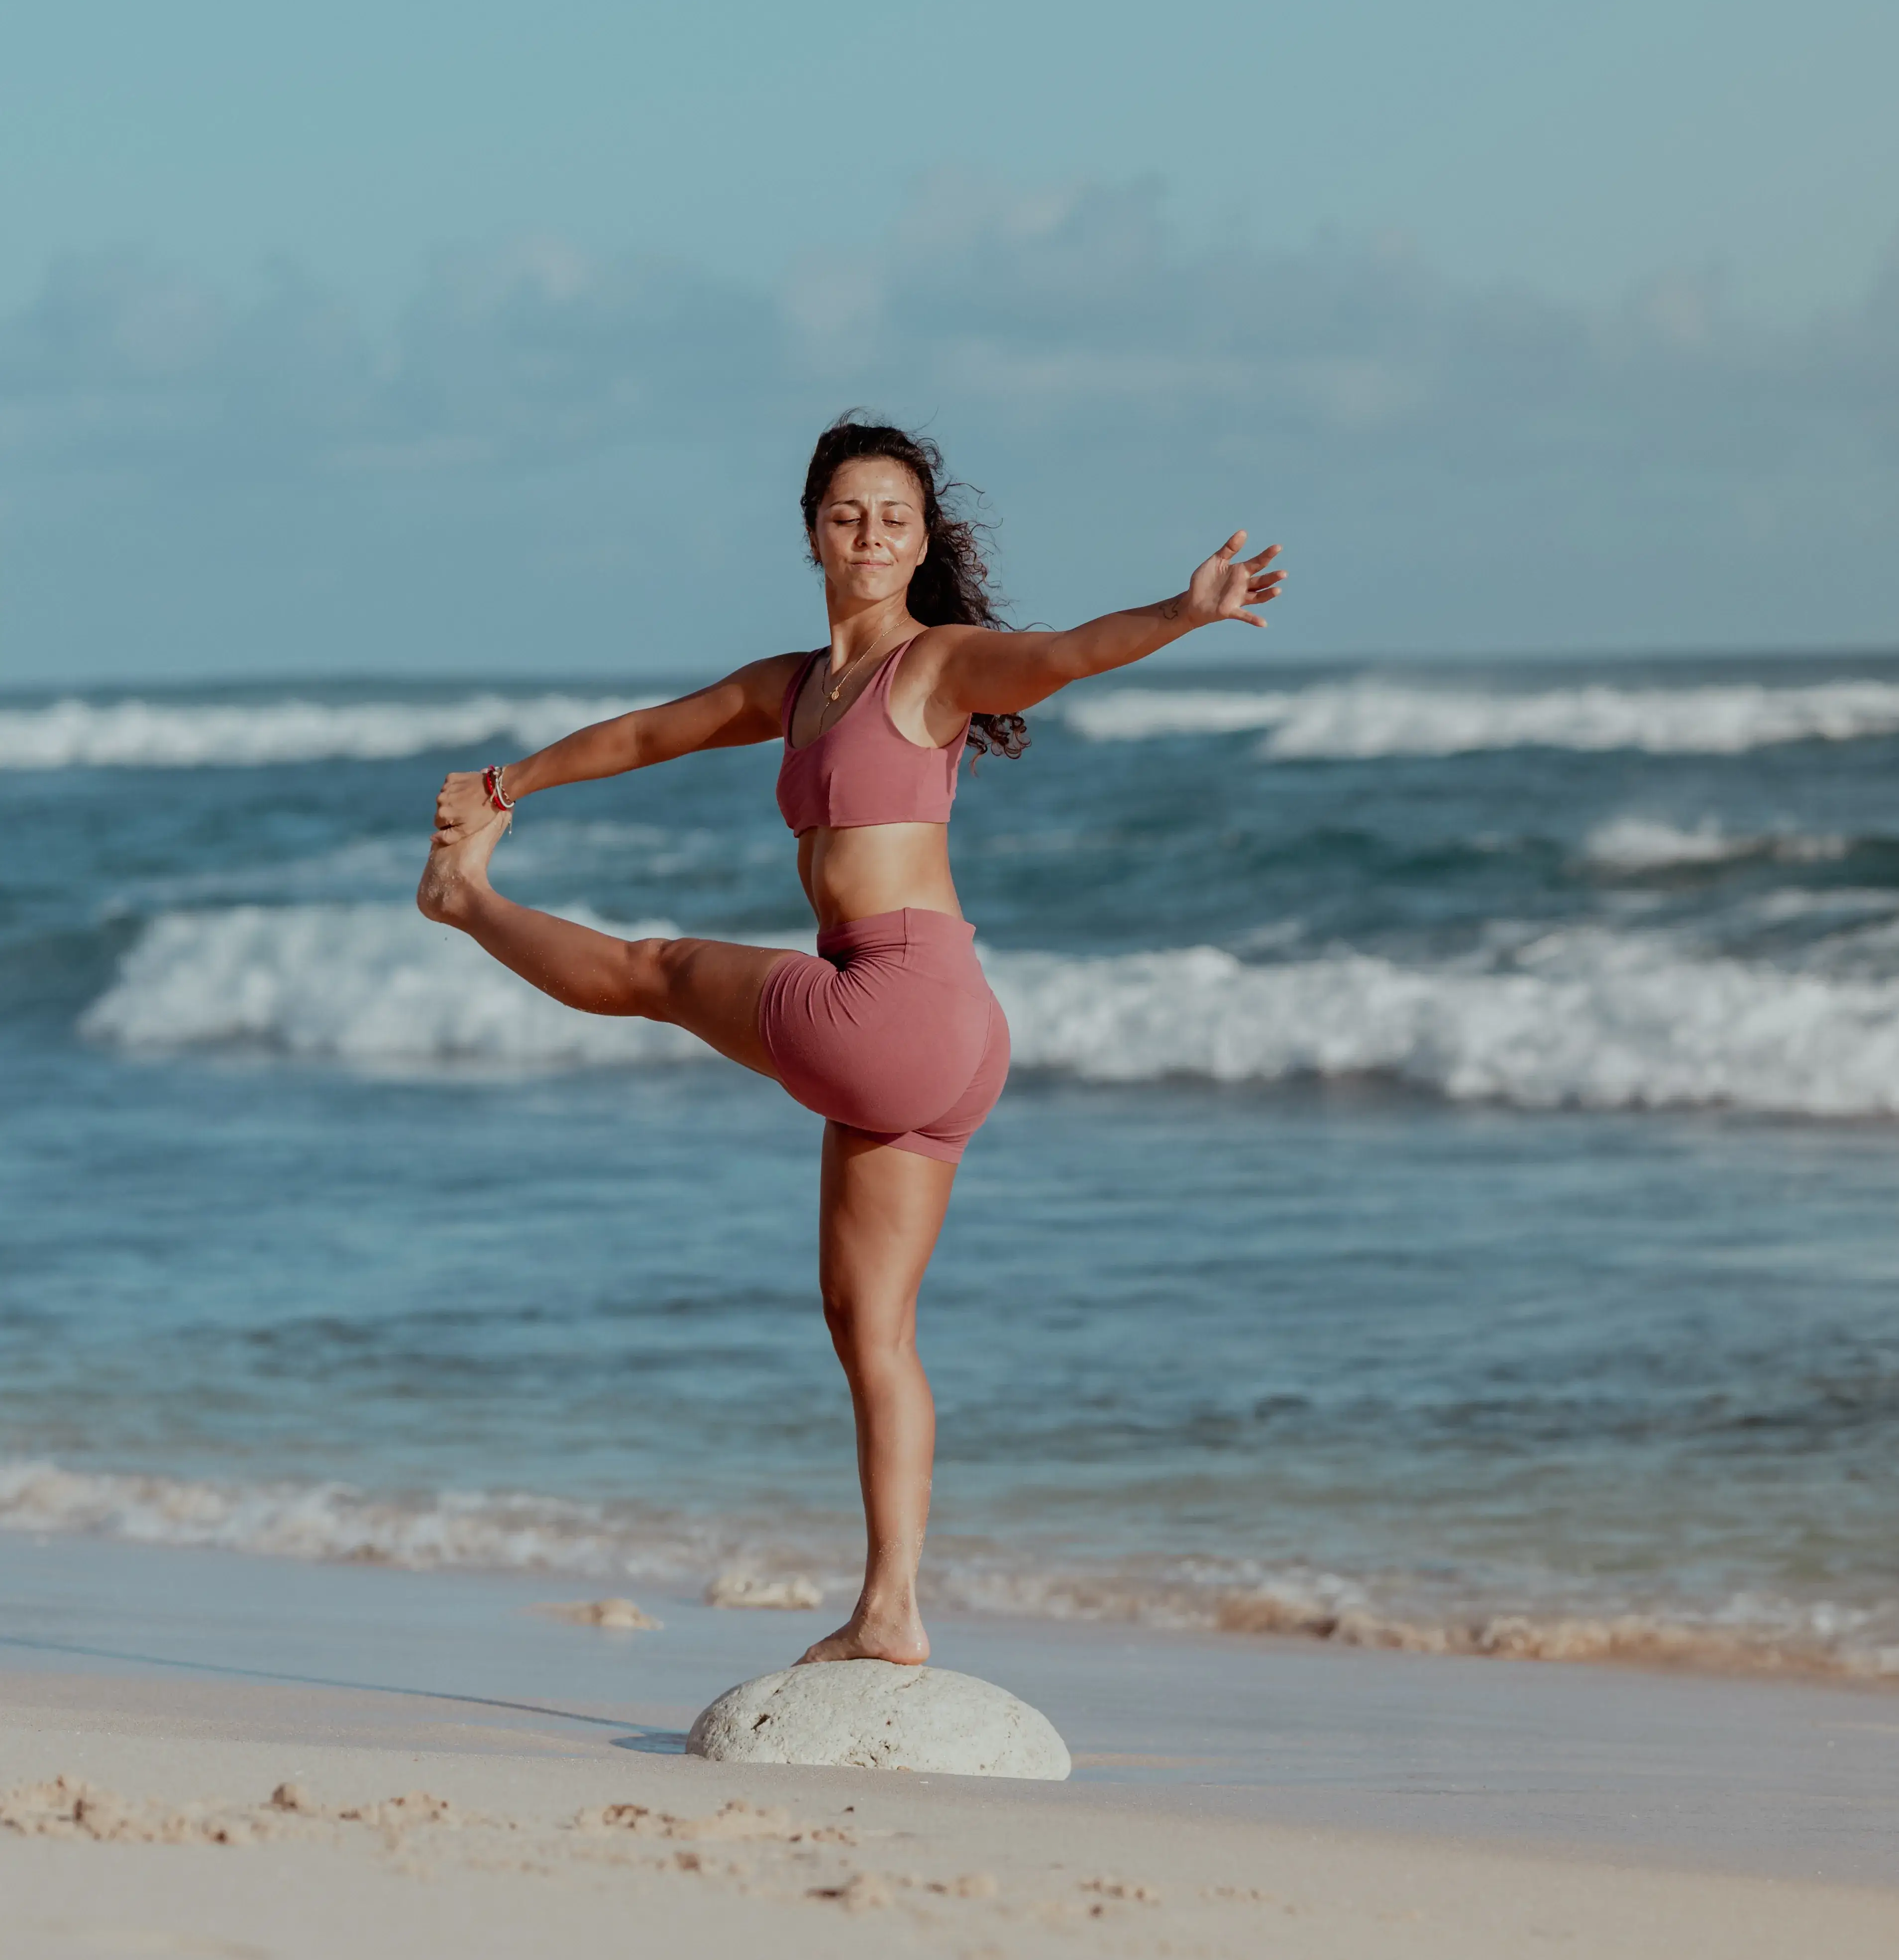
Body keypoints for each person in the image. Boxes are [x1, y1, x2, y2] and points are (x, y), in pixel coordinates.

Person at [418, 414, 1284, 1669]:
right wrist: (512, 783)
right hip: (937, 1029)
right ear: (813, 534)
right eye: (847, 515)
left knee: (654, 969)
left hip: (897, 999)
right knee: (866, 1325)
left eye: (894, 517)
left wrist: (1179, 609)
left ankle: (463, 902)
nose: (871, 535)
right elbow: (653, 731)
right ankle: (891, 1611)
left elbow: (1053, 655)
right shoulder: (796, 684)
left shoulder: (931, 666)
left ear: (922, 538)